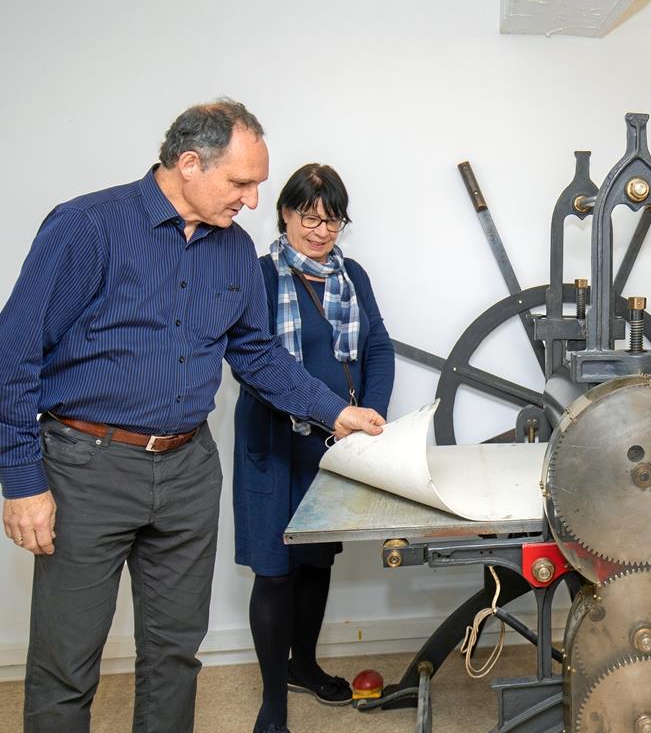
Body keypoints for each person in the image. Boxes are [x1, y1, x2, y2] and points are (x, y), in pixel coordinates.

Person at [0, 100, 386, 733]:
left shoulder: (233, 251)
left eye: (257, 183)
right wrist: (21, 481)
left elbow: (256, 353)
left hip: (187, 471)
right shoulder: (85, 227)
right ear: (187, 164)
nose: (255, 200)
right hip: (85, 468)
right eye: (241, 183)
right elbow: (14, 351)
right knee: (67, 664)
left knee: (175, 656)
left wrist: (334, 413)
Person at [232, 164, 395, 733]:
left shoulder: (354, 277)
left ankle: (303, 665)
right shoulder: (256, 275)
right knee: (275, 571)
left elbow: (378, 348)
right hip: (273, 442)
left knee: (316, 561)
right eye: (310, 218)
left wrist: (372, 414)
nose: (322, 231)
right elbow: (256, 366)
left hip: (333, 446)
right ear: (285, 213)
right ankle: (272, 702)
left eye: (333, 220)